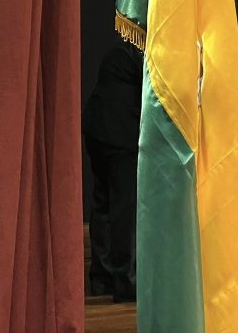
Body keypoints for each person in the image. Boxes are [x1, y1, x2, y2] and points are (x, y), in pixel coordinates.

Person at [82, 37, 143, 301]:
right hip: (120, 136)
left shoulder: (119, 52)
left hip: (98, 132)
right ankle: (126, 281)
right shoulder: (141, 55)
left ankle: (102, 279)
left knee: (103, 205)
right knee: (123, 210)